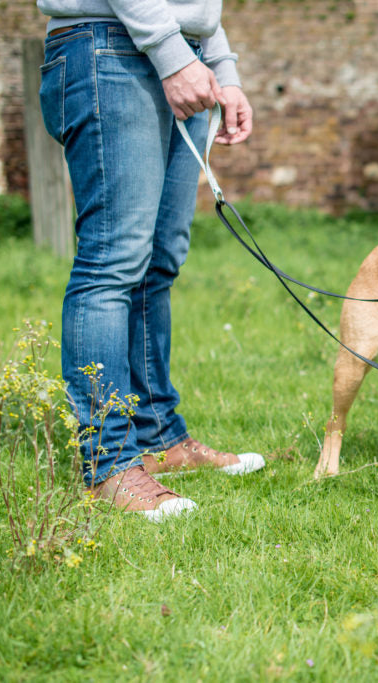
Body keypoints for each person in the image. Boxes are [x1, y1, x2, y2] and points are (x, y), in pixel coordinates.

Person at [37, 0, 263, 522]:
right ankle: (109, 463)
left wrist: (221, 69)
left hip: (182, 49)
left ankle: (160, 438)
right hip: (108, 45)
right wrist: (170, 53)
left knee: (158, 262)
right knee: (113, 262)